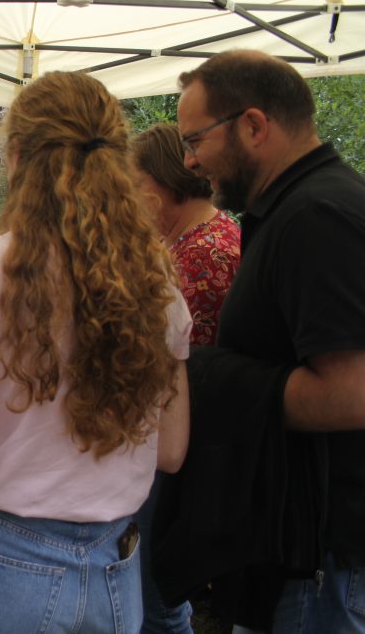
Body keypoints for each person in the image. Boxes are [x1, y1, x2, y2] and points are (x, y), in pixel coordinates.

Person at [0, 70, 192, 632]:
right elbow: (171, 451)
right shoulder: (156, 281)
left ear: (17, 157)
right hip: (116, 569)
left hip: (5, 568)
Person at [167, 50, 365, 632]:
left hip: (321, 557)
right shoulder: (294, 208)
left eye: (196, 140)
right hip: (300, 546)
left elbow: (352, 393)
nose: (190, 160)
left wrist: (211, 377)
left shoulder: (317, 214)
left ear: (253, 125)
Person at [127, 123, 242, 634]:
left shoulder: (204, 255)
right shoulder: (192, 243)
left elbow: (171, 367)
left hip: (183, 453)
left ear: (161, 184)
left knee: (158, 596)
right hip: (179, 445)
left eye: (134, 183)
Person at [132, 124, 241, 347]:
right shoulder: (194, 234)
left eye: (136, 184)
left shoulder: (203, 258)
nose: (130, 198)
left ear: (167, 176)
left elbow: (179, 358)